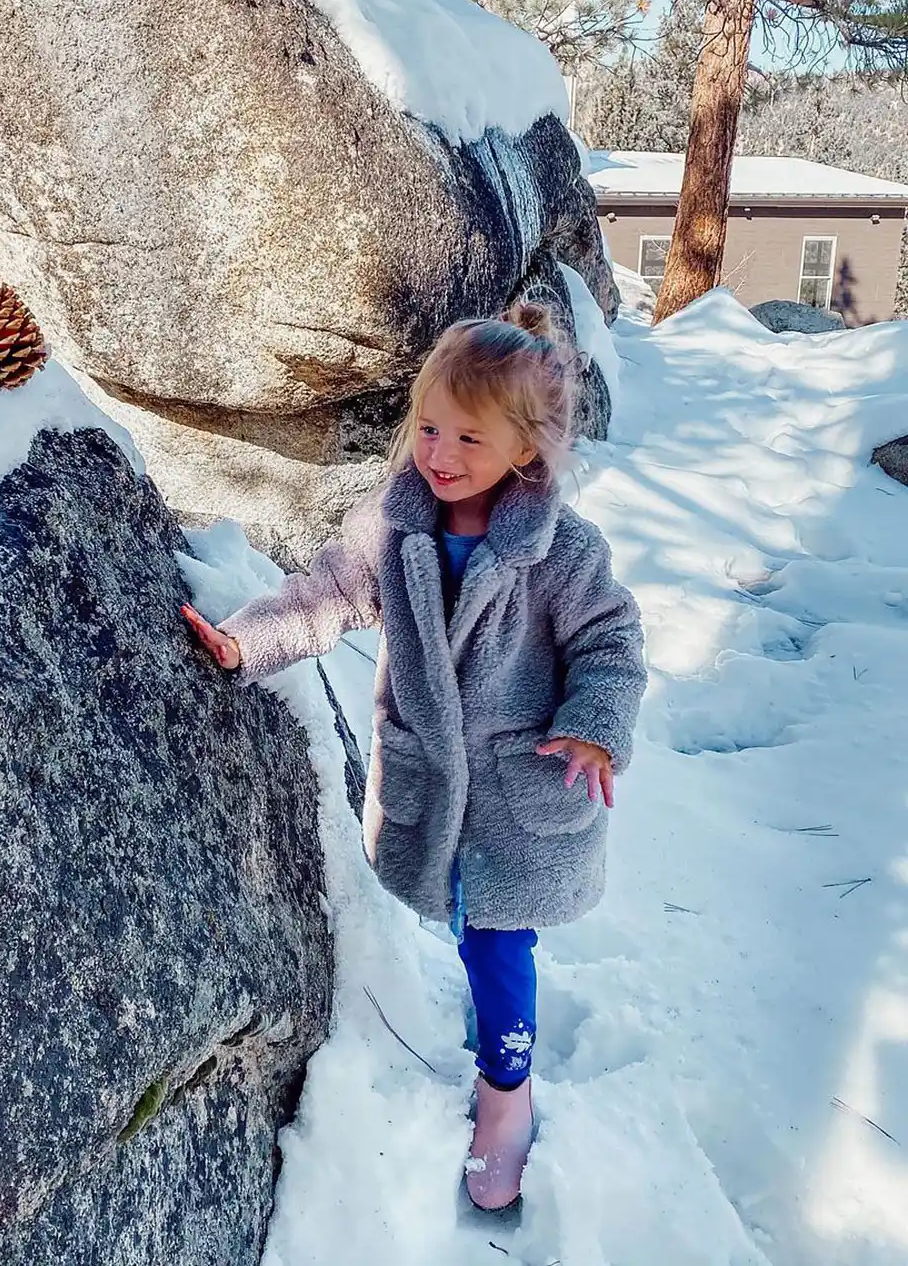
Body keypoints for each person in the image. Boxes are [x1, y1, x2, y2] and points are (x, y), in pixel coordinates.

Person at [181, 302, 646, 1217]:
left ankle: (506, 1089)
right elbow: (324, 595)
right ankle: (488, 1026)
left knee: (501, 941)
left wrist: (596, 723)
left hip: (521, 790)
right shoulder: (393, 528)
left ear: (525, 449)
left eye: (469, 437)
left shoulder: (560, 552)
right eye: (429, 427)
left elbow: (611, 640)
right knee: (471, 923)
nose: (439, 453)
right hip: (432, 781)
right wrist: (247, 641)